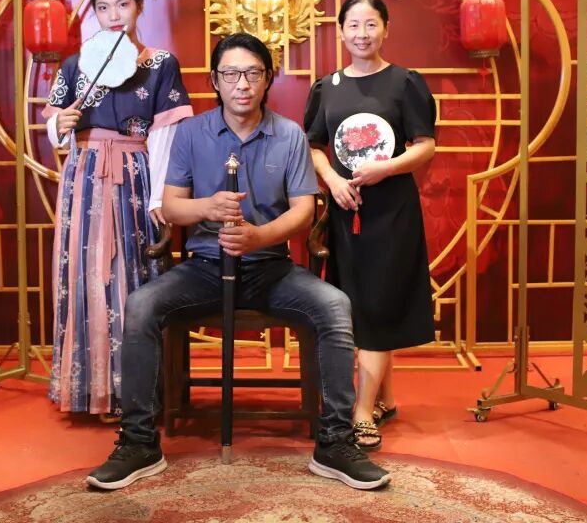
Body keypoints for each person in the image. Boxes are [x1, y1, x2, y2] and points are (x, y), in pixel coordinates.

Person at [85, 33, 392, 491]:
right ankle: (139, 442)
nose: (242, 84)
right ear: (215, 80)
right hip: (206, 267)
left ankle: (334, 443)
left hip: (271, 268)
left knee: (334, 306)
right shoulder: (192, 133)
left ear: (268, 79)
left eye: (252, 73)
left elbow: (303, 211)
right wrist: (207, 207)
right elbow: (172, 207)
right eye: (230, 74)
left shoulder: (289, 135)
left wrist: (258, 237)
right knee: (142, 305)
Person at [43, 0, 193, 419]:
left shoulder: (160, 63)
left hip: (134, 176)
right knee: (85, 271)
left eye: (123, 5)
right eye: (103, 7)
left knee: (132, 271)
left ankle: (136, 392)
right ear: (94, 12)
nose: (113, 16)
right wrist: (58, 127)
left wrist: (159, 195)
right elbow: (56, 127)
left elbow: (166, 134)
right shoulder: (75, 65)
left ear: (139, 7)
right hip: (84, 177)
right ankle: (89, 389)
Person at [303, 0, 437, 451]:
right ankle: (387, 398)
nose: (362, 34)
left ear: (386, 29)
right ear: (340, 32)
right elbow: (313, 146)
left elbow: (426, 145)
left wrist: (387, 167)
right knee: (357, 305)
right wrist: (331, 181)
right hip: (345, 211)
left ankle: (361, 412)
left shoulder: (405, 82)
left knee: (379, 305)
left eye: (371, 24)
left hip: (392, 212)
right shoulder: (327, 87)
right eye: (353, 25)